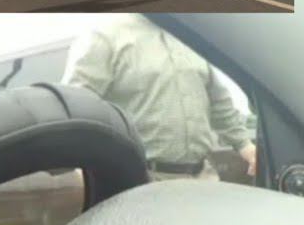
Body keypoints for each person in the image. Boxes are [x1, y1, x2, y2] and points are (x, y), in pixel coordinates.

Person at [62, 14, 256, 182]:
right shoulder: (104, 37)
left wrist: (245, 146)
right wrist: (82, 161)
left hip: (203, 178)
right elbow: (77, 109)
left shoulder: (192, 37)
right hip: (141, 182)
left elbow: (219, 103)